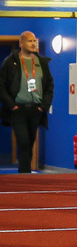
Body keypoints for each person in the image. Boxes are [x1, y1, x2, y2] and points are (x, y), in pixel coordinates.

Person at [0, 31, 54, 174]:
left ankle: (25, 171)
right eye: (30, 41)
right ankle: (24, 173)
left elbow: (49, 86)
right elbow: (1, 85)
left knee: (29, 142)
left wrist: (43, 106)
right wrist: (11, 105)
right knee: (23, 141)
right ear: (21, 43)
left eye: (34, 41)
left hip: (36, 109)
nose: (33, 44)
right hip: (18, 109)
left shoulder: (41, 62)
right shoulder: (10, 62)